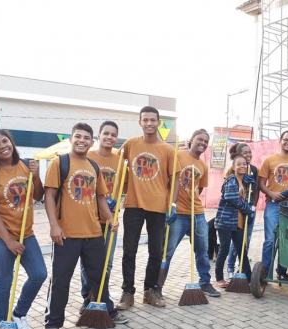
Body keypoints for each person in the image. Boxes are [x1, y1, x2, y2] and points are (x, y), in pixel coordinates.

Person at [43, 123, 128, 329]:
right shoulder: (58, 163)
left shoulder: (93, 166)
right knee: (61, 280)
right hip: (66, 234)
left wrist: (110, 218)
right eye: (78, 136)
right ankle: (53, 322)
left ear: (92, 141)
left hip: (93, 233)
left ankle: (108, 310)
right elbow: (50, 196)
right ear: (71, 139)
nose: (82, 140)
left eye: (86, 137)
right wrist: (54, 225)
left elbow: (101, 197)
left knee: (100, 277)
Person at [0, 128, 47, 329]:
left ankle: (19, 313)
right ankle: (3, 323)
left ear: (11, 142)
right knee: (5, 281)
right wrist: (9, 241)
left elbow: (38, 196)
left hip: (26, 232)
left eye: (4, 141)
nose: (2, 147)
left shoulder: (25, 165)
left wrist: (35, 177)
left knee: (39, 274)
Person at [117, 106, 181, 310]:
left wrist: (173, 203)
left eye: (153, 120)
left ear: (159, 122)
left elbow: (176, 178)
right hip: (133, 205)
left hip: (158, 207)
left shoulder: (168, 150)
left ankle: (150, 291)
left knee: (155, 252)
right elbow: (117, 165)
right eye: (145, 120)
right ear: (140, 122)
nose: (149, 123)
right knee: (129, 251)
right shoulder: (130, 144)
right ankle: (128, 293)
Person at [159, 129, 221, 297]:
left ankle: (205, 283)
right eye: (199, 139)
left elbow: (199, 188)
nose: (203, 143)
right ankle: (157, 287)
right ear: (191, 140)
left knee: (202, 250)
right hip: (176, 213)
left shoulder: (203, 166)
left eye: (206, 141)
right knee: (167, 251)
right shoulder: (177, 155)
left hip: (197, 213)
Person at [79, 121, 121, 314]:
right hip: (89, 219)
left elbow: (124, 185)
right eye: (106, 133)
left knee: (108, 261)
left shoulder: (120, 160)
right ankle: (87, 297)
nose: (109, 137)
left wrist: (115, 202)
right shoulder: (88, 156)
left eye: (113, 135)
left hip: (110, 220)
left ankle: (100, 295)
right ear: (99, 136)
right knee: (88, 263)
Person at [258, 130, 288, 280]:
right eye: (286, 140)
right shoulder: (269, 160)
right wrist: (271, 193)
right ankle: (264, 274)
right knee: (270, 240)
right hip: (273, 205)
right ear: (280, 141)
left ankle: (282, 271)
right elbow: (261, 183)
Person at [215, 155, 255, 286]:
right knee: (224, 250)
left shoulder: (244, 182)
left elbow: (244, 200)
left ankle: (250, 278)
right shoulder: (231, 180)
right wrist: (248, 209)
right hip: (225, 222)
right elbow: (232, 198)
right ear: (233, 167)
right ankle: (219, 278)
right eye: (239, 164)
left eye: (244, 164)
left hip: (238, 222)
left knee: (241, 250)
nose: (242, 166)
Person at [224, 143, 259, 279]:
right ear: (238, 155)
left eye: (250, 152)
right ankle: (230, 268)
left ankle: (242, 268)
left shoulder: (254, 170)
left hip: (249, 211)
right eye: (245, 153)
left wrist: (253, 208)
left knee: (246, 241)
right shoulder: (232, 170)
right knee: (237, 242)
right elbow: (227, 190)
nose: (248, 155)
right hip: (236, 212)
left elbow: (256, 191)